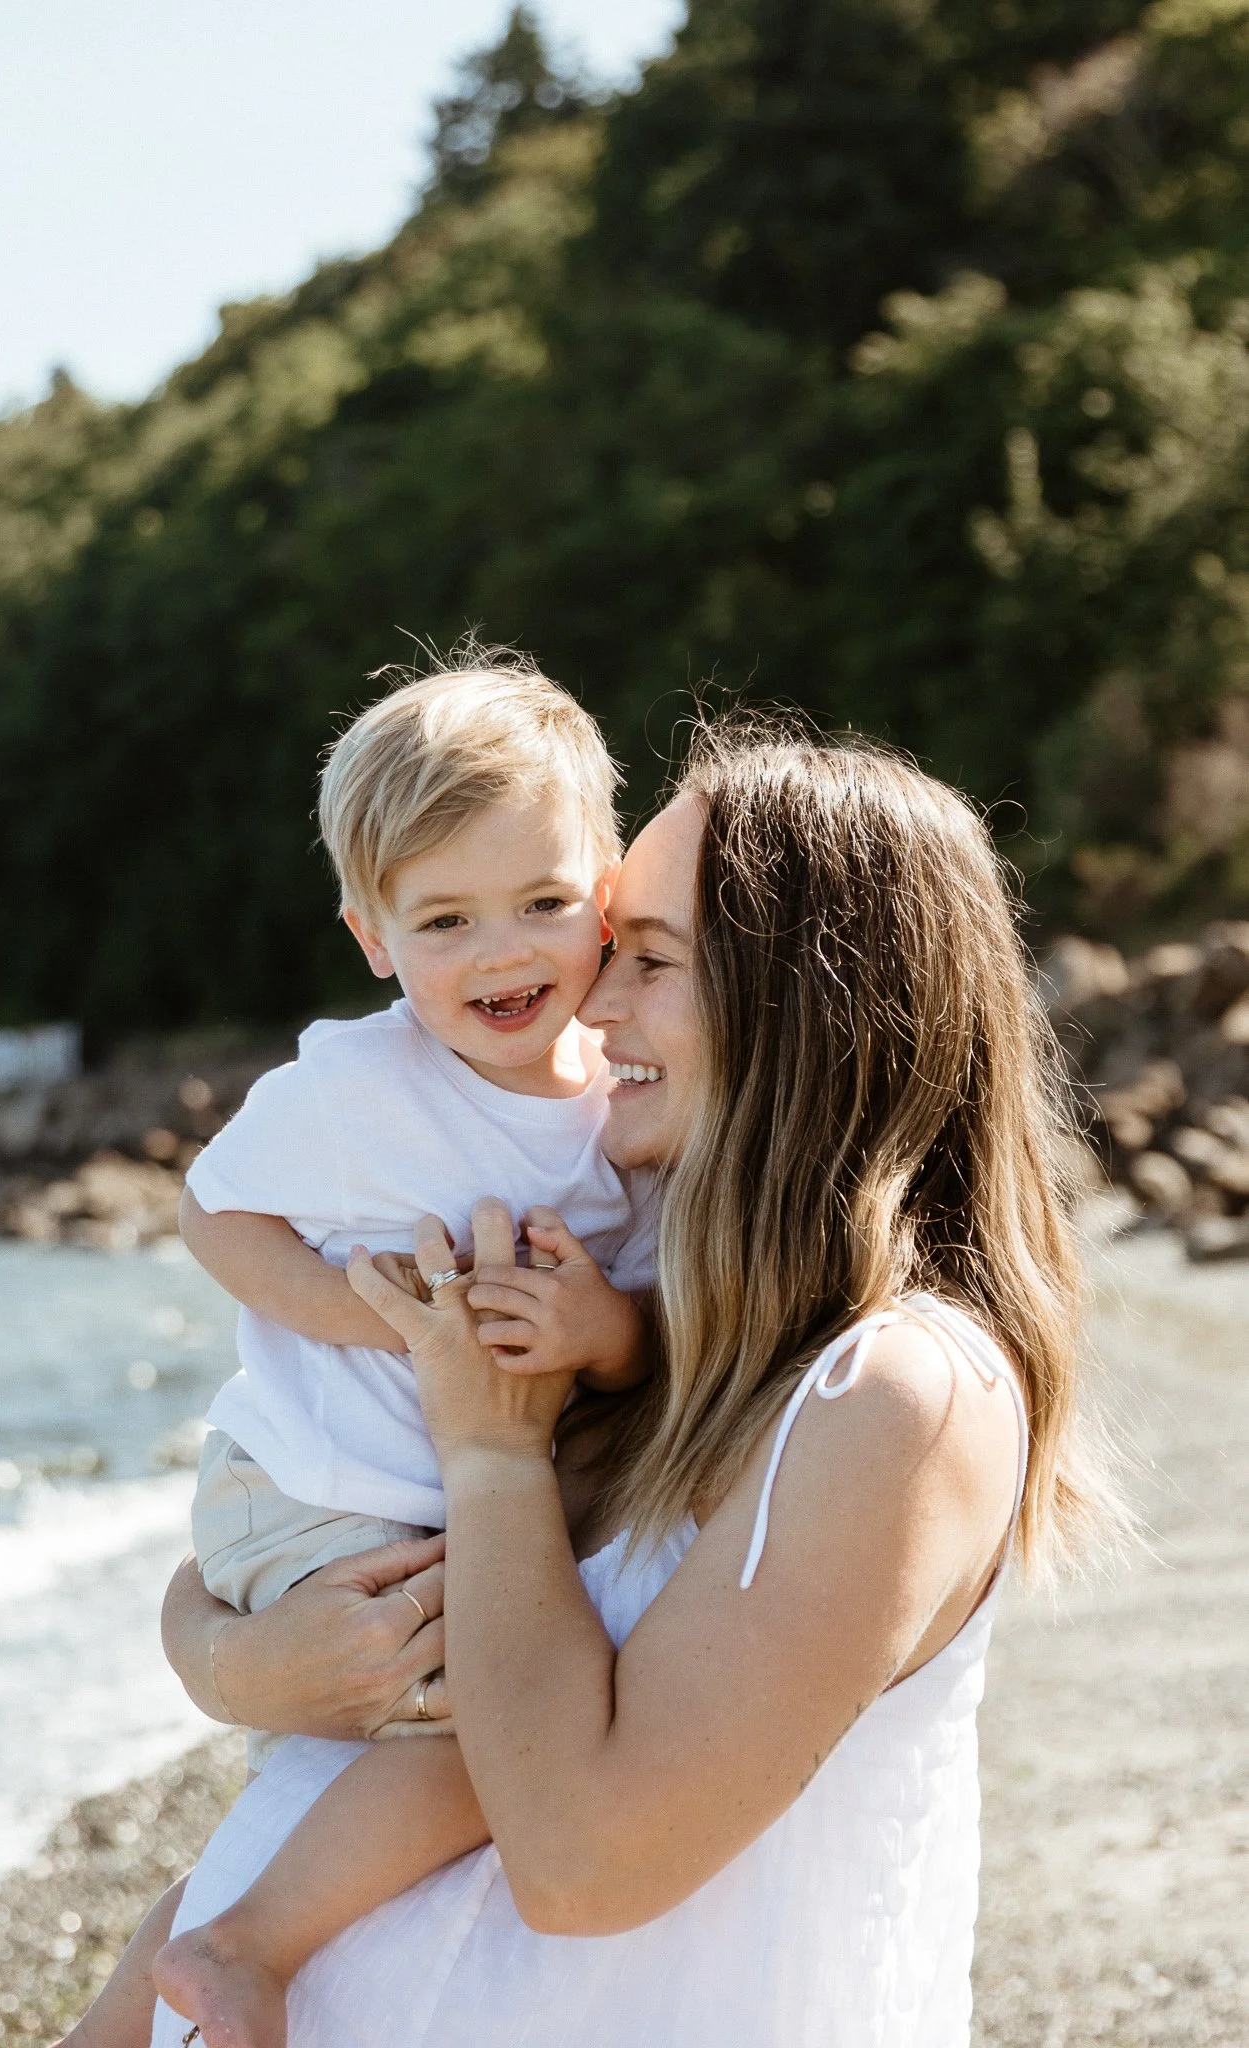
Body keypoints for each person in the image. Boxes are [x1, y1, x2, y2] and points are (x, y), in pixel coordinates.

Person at [145, 722, 1118, 2047]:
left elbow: (584, 1859)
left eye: (642, 955)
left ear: (800, 1002)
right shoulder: (652, 1267)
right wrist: (233, 1662)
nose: (589, 1001)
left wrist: (490, 1456)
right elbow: (307, 1565)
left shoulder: (895, 1389)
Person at [72, 648, 659, 2048]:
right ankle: (246, 1955)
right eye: (445, 920)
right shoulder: (358, 1081)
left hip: (432, 1493)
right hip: (306, 1483)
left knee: (344, 1786)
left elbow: (651, 1339)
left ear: (612, 887)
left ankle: (145, 1994)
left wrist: (609, 1336)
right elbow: (212, 1207)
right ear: (373, 937)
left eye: (542, 902)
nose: (504, 953)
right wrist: (368, 1314)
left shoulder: (628, 1102)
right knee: (499, 1730)